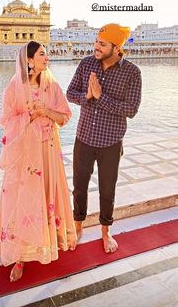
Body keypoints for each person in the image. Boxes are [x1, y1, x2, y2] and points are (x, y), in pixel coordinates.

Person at [0, 41, 77, 282]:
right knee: (23, 199)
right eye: (42, 54)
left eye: (46, 53)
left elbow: (65, 117)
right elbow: (6, 120)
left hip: (48, 152)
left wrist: (45, 111)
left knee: (47, 195)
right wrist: (30, 114)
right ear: (29, 60)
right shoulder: (14, 87)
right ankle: (20, 254)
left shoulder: (52, 85)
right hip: (25, 156)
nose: (47, 57)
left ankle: (49, 242)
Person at [66, 23, 142, 253]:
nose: (96, 47)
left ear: (117, 47)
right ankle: (78, 226)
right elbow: (70, 94)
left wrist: (101, 97)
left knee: (107, 189)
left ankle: (105, 232)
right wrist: (88, 95)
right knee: (79, 186)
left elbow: (131, 109)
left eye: (102, 44)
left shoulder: (132, 72)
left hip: (111, 141)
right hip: (85, 137)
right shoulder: (86, 63)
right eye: (96, 41)